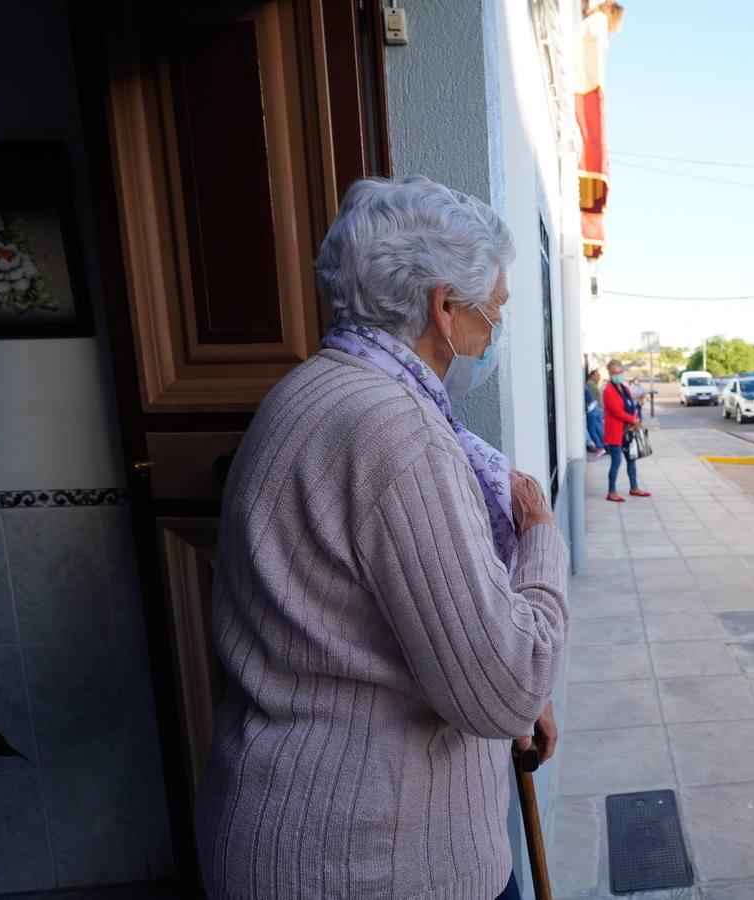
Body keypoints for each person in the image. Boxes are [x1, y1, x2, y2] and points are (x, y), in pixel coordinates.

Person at [193, 176, 570, 900]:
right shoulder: (394, 429)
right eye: (492, 313)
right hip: (368, 860)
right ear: (443, 307)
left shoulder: (314, 389)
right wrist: (540, 536)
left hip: (299, 831)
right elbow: (505, 685)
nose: (491, 333)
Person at [603, 359, 651, 502]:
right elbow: (617, 411)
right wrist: (632, 420)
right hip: (616, 433)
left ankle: (634, 487)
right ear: (610, 374)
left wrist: (635, 418)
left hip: (628, 432)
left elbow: (632, 406)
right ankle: (611, 491)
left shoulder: (624, 388)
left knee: (632, 460)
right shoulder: (608, 391)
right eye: (614, 373)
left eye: (620, 372)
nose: (618, 375)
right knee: (616, 462)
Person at [585, 369, 606, 457]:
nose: (599, 376)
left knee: (596, 429)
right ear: (592, 375)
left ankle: (603, 447)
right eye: (597, 375)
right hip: (595, 408)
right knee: (598, 429)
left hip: (595, 409)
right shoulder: (590, 384)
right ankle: (605, 446)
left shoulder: (593, 384)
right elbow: (592, 397)